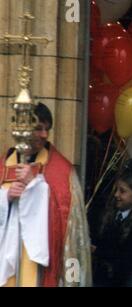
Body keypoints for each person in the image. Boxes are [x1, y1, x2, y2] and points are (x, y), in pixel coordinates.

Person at [0, 102, 91, 287]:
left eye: (47, 129)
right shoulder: (3, 167)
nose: (45, 135)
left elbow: (69, 225)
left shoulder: (61, 171)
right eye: (39, 128)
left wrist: (34, 186)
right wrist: (6, 199)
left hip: (42, 267)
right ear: (23, 129)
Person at [92, 172, 132, 286]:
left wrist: (98, 251)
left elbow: (130, 261)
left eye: (122, 191)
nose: (116, 195)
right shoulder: (108, 214)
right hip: (100, 278)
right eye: (116, 190)